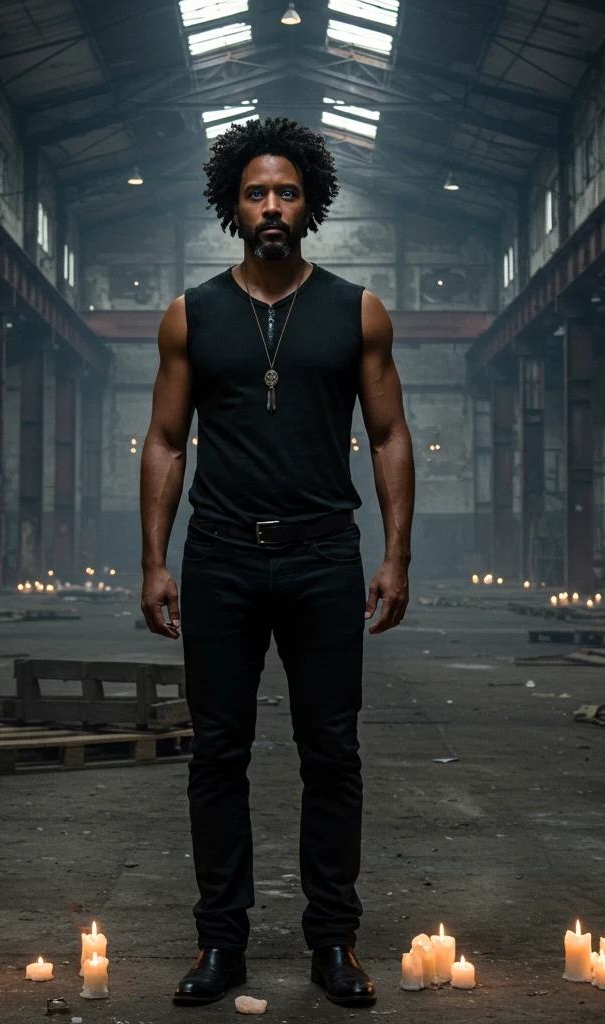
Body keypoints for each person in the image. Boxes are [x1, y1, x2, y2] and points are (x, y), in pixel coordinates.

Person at [139, 116, 414, 1009]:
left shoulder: (354, 309)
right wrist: (154, 561)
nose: (270, 206)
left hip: (323, 554)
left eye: (286, 191)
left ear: (311, 204)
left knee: (330, 752)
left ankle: (334, 943)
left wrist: (394, 555)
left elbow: (388, 435)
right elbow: (166, 441)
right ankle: (222, 944)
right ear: (232, 205)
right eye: (255, 192)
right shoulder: (191, 315)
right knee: (217, 755)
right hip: (219, 555)